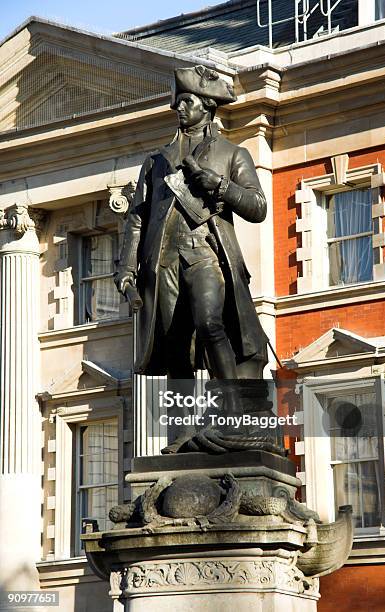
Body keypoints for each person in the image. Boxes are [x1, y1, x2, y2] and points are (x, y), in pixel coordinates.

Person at [114, 65, 268, 405]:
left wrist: (220, 186)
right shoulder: (156, 162)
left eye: (186, 102)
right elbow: (137, 218)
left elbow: (258, 208)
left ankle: (235, 411)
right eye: (178, 103)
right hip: (164, 260)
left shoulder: (232, 154)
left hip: (205, 253)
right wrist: (126, 269)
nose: (178, 109)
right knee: (175, 346)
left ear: (207, 106)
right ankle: (182, 432)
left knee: (211, 323)